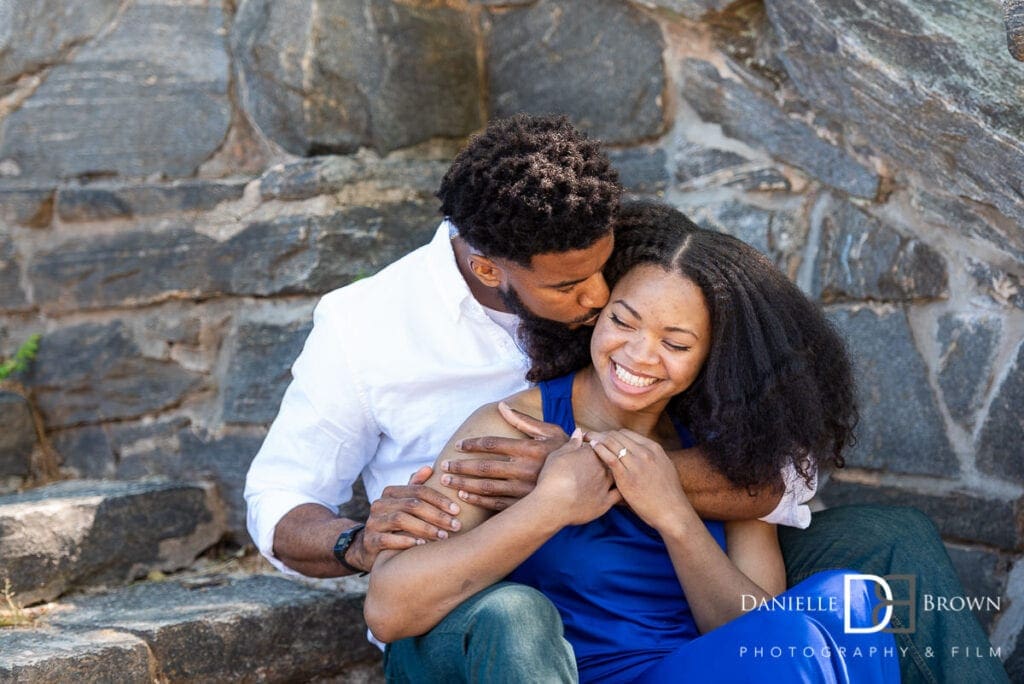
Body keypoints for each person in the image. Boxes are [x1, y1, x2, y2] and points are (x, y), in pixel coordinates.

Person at [245, 115, 1006, 683]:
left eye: (675, 341)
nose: (601, 300)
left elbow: (771, 489)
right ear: (490, 271)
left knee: (876, 567)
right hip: (483, 603)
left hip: (663, 590)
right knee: (520, 616)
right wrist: (356, 542)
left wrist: (639, 481)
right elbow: (297, 507)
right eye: (587, 297)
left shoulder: (614, 270)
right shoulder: (378, 335)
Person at [366, 202, 901, 682]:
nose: (641, 356)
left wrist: (673, 513)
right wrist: (552, 505)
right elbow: (388, 610)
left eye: (675, 343)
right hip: (574, 674)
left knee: (853, 603)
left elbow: (756, 636)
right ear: (598, 312)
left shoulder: (727, 450)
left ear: (711, 358)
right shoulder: (510, 430)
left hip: (691, 669)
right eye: (624, 321)